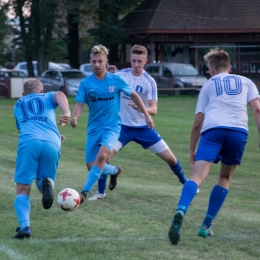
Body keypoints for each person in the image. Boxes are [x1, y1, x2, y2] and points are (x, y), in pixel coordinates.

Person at [168, 48, 260, 245]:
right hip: (237, 131)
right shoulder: (247, 82)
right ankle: (205, 225)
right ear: (229, 66)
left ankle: (182, 209)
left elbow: (197, 122)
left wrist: (192, 150)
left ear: (211, 68)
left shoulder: (209, 84)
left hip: (213, 131)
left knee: (198, 176)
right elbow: (257, 109)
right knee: (225, 177)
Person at [88, 44, 194, 201]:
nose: (136, 64)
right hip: (121, 128)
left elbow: (154, 109)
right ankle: (101, 192)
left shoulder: (149, 82)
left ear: (146, 61)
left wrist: (142, 109)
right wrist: (107, 73)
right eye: (133, 61)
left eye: (140, 61)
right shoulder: (121, 75)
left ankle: (186, 183)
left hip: (144, 129)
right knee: (104, 157)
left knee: (171, 159)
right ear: (130, 60)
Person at [70, 44, 154, 204]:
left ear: (106, 62)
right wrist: (75, 118)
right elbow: (79, 104)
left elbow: (135, 95)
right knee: (92, 166)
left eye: (99, 61)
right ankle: (115, 170)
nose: (96, 65)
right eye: (94, 61)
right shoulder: (86, 83)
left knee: (102, 156)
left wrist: (147, 115)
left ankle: (84, 193)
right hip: (94, 128)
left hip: (112, 127)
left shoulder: (116, 80)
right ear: (90, 61)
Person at [13, 79, 71, 239]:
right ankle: (47, 185)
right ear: (41, 90)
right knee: (44, 177)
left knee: (22, 188)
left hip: (30, 141)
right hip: (53, 141)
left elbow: (22, 130)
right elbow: (59, 94)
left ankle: (24, 227)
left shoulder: (18, 104)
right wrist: (66, 112)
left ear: (23, 94)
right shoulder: (47, 96)